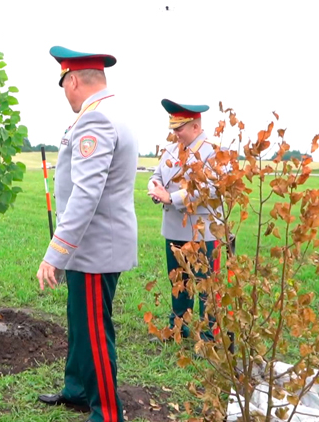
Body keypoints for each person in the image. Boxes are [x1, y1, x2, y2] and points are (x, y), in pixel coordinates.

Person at [36, 46, 138, 422]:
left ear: (73, 79)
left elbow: (85, 194)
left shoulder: (95, 121)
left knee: (95, 331)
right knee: (80, 321)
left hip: (96, 249)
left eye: (64, 84)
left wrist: (55, 252)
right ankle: (77, 390)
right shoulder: (105, 114)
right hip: (93, 247)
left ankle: (107, 414)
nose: (65, 92)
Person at [147, 99, 223, 343]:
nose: (175, 133)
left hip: (202, 233)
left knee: (206, 287)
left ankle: (211, 336)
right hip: (174, 229)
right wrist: (154, 186)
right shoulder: (171, 149)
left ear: (196, 127)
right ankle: (179, 328)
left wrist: (172, 197)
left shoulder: (213, 151)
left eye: (180, 128)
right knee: (178, 281)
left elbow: (210, 189)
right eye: (173, 128)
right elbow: (157, 175)